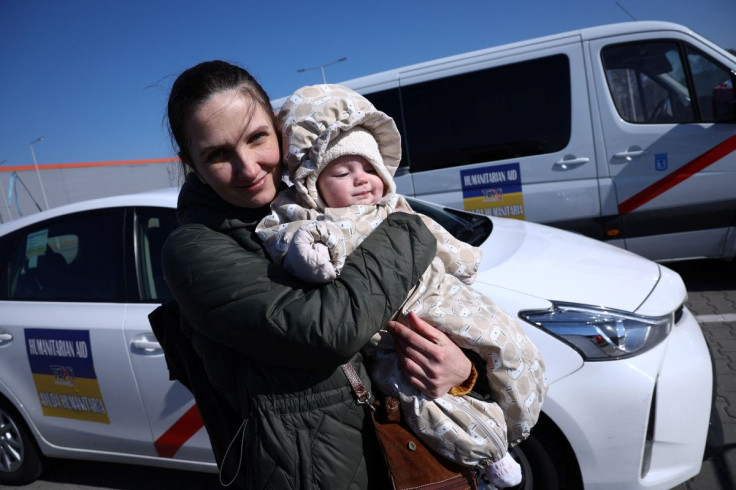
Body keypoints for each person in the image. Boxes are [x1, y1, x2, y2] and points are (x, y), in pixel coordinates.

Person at [157, 60, 478, 489]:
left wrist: (462, 369)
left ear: (279, 131)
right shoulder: (195, 250)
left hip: (395, 458)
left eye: (257, 138)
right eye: (218, 155)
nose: (249, 167)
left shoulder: (320, 200)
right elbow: (327, 330)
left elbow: (415, 308)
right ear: (191, 163)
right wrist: (406, 227)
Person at [256, 84, 548, 488]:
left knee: (513, 347)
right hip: (396, 328)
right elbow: (284, 235)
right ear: (312, 183)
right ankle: (492, 453)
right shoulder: (310, 216)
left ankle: (513, 430)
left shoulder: (396, 208)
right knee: (426, 400)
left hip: (446, 300)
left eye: (370, 168)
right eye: (342, 172)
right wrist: (309, 252)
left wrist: (462, 261)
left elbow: (436, 239)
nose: (361, 180)